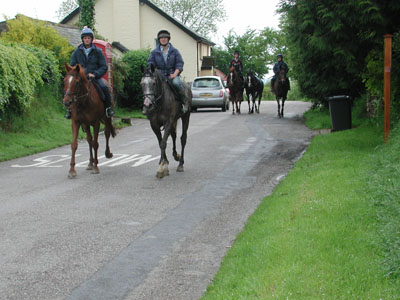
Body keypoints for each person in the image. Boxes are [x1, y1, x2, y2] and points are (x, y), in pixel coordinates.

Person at [65, 26, 114, 119]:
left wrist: (95, 74)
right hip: (80, 78)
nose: (87, 40)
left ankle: (108, 108)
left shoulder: (98, 51)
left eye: (88, 38)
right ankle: (69, 110)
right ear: (82, 39)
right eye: (85, 38)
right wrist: (76, 74)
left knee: (104, 87)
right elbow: (72, 66)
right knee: (70, 88)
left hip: (94, 77)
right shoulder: (77, 52)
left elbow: (104, 66)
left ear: (91, 39)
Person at [147, 29, 189, 113]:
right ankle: (147, 106)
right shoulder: (154, 52)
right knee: (149, 85)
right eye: (161, 38)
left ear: (168, 39)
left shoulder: (175, 51)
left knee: (176, 83)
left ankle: (184, 102)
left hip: (172, 74)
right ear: (159, 40)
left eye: (165, 38)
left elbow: (179, 64)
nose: (163, 39)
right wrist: (153, 72)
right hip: (159, 75)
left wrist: (175, 74)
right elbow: (150, 64)